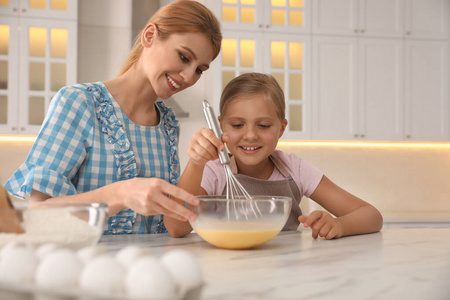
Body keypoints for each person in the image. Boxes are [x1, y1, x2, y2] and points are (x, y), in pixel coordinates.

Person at [3, 0, 222, 234]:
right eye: (184, 57)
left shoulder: (167, 123)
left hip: (147, 267)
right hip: (87, 266)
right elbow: (40, 213)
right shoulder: (78, 103)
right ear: (149, 36)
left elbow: (173, 223)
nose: (189, 77)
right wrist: (121, 194)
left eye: (200, 69)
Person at [164, 72, 383, 239]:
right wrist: (196, 162)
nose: (250, 135)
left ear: (281, 128)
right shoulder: (214, 170)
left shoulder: (294, 168)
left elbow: (371, 215)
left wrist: (340, 225)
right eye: (238, 124)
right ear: (221, 126)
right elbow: (176, 227)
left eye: (264, 125)